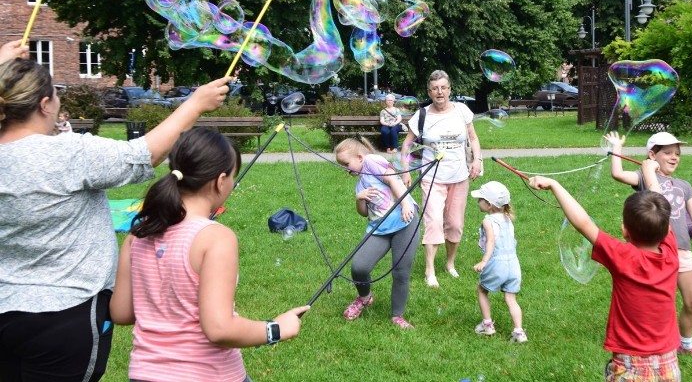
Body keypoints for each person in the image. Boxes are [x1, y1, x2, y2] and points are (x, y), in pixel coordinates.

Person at [0, 54, 230, 382]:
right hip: (67, 314)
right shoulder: (67, 153)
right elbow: (144, 154)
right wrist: (194, 104)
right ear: (44, 104)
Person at [110, 128, 309, 381]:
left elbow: (121, 313)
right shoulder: (215, 238)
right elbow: (219, 328)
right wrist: (276, 329)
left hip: (144, 374)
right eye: (233, 178)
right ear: (220, 181)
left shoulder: (137, 236)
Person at [530, 168, 681, 382]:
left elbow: (583, 223)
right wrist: (649, 172)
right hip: (668, 362)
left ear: (624, 230)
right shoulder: (671, 253)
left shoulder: (623, 256)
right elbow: (661, 209)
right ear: (666, 230)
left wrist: (555, 184)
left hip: (630, 363)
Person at [606, 130, 692, 356]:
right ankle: (653, 340)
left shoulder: (684, 185)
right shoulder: (644, 177)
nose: (674, 157)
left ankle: (686, 343)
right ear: (652, 155)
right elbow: (618, 174)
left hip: (681, 251)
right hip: (655, 252)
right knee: (657, 303)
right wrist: (617, 148)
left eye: (677, 154)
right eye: (668, 153)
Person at [401, 70, 483, 288]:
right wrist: (406, 170)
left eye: (443, 88)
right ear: (429, 91)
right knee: (434, 221)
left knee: (455, 224)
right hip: (432, 177)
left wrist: (477, 160)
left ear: (449, 90)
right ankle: (430, 270)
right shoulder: (422, 116)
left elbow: (473, 138)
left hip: (459, 176)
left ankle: (449, 264)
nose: (439, 92)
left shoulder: (462, 111)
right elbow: (407, 145)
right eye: (435, 88)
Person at [334, 137, 419, 328]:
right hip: (379, 228)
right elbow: (364, 213)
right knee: (359, 267)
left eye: (346, 163)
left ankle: (397, 315)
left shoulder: (371, 161)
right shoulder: (360, 184)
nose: (345, 168)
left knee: (400, 271)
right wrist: (359, 199)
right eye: (341, 165)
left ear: (360, 157)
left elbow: (393, 179)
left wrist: (406, 204)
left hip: (404, 221)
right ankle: (365, 298)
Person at [471, 181, 525, 343]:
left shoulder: (488, 220)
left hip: (497, 263)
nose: (477, 201)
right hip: (514, 265)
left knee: (481, 290)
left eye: (480, 199)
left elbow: (491, 242)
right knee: (511, 298)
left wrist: (484, 261)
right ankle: (519, 332)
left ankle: (487, 325)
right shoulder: (508, 219)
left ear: (489, 204)